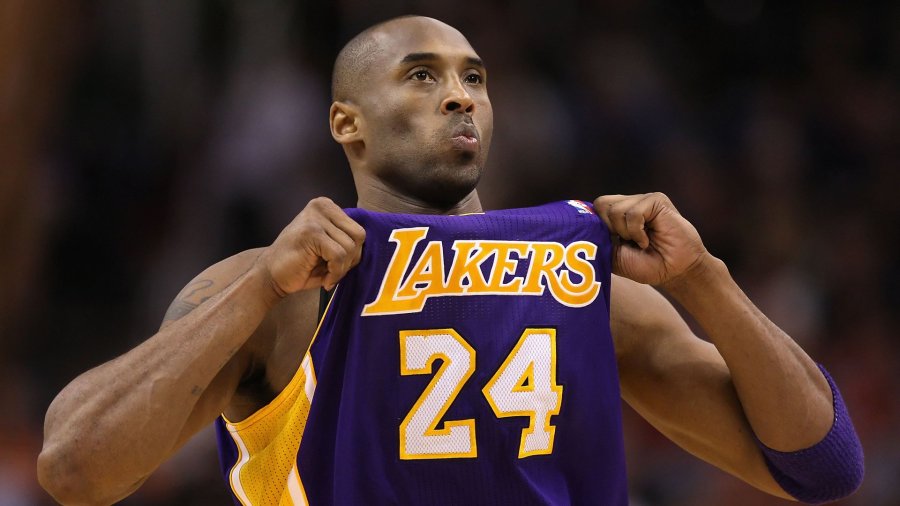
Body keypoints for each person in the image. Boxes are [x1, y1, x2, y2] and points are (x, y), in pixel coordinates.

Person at [37, 15, 863, 505]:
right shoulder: (280, 290)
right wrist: (257, 288)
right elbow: (73, 470)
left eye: (475, 77)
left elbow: (825, 466)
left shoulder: (581, 287)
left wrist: (703, 279)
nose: (461, 94)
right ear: (345, 123)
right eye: (422, 76)